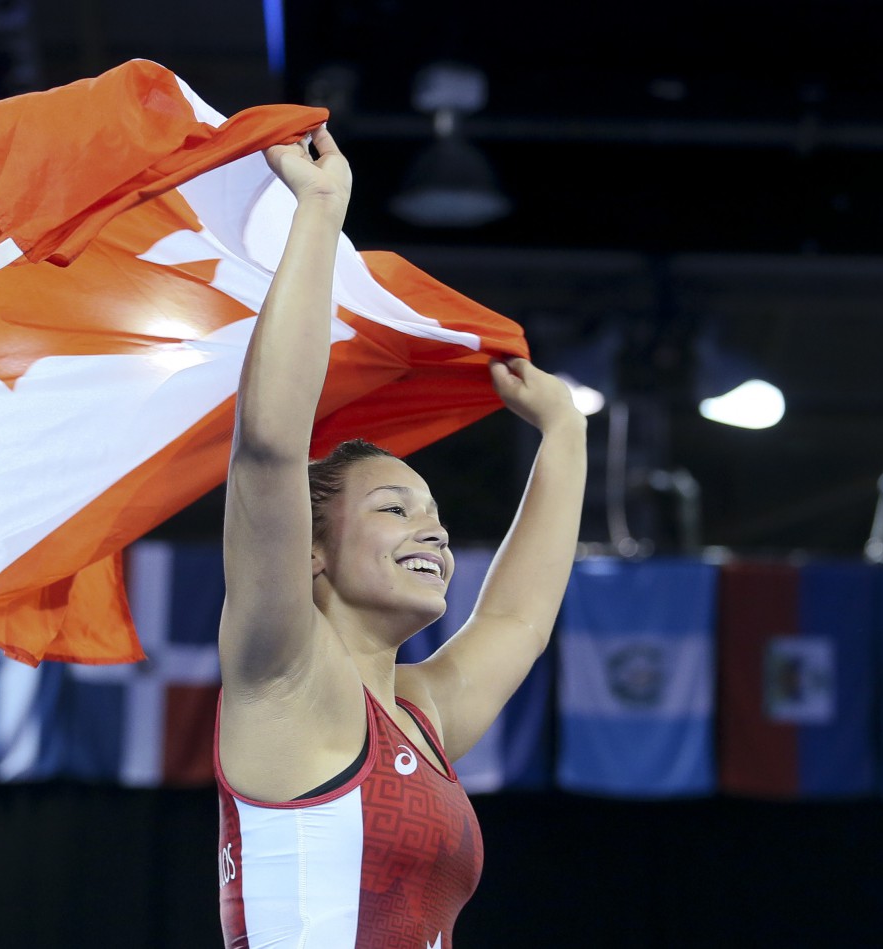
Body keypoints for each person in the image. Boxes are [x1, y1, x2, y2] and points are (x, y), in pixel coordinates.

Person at [214, 125, 587, 949]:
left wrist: (564, 431)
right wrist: (318, 209)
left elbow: (517, 623)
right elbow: (271, 445)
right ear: (311, 549)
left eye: (434, 514)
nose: (434, 529)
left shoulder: (420, 713)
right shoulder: (282, 675)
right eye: (396, 507)